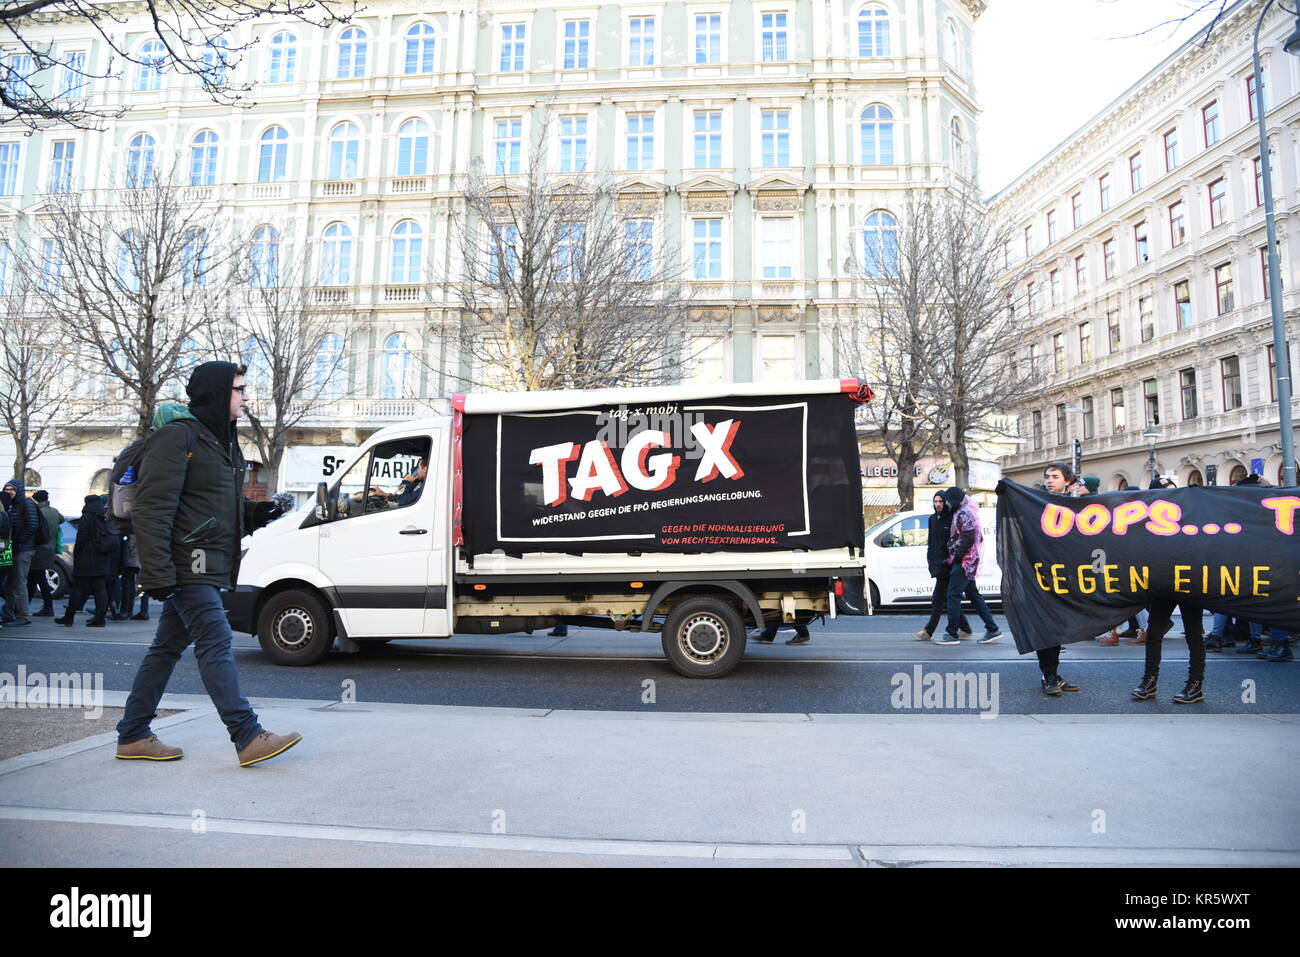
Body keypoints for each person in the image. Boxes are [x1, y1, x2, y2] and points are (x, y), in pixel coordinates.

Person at [115, 363, 300, 767]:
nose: (245, 397)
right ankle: (247, 735)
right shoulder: (176, 438)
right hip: (186, 564)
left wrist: (260, 512)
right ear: (218, 392)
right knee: (215, 642)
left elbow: (213, 506)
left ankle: (132, 733)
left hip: (204, 562)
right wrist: (157, 573)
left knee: (165, 649)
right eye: (239, 389)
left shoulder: (219, 441)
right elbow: (152, 509)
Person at [932, 486, 1001, 646]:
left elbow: (969, 536)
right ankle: (992, 629)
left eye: (948, 501)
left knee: (953, 595)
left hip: (965, 561)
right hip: (968, 560)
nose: (947, 504)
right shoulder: (966, 510)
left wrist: (956, 556)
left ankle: (952, 634)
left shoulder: (964, 512)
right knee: (974, 595)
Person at [914, 492, 971, 640]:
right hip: (937, 564)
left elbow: (955, 541)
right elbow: (931, 543)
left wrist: (951, 560)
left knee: (938, 599)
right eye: (935, 501)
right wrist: (930, 561)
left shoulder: (952, 518)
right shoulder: (932, 519)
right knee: (948, 599)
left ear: (946, 502)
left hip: (949, 564)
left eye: (940, 501)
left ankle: (928, 630)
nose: (938, 504)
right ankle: (965, 628)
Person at [1130, 597, 1207, 704]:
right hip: (1166, 587)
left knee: (1194, 634)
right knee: (1153, 633)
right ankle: (1150, 681)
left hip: (1189, 587)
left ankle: (1195, 683)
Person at [55, 495, 115, 627]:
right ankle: (100, 618)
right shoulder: (105, 516)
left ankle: (69, 617)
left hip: (87, 557)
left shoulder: (87, 516)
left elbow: (81, 537)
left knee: (78, 587)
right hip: (102, 556)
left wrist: (77, 555)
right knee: (100, 588)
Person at [2, 477, 41, 627]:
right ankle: (9, 613)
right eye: (6, 489)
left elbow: (32, 526)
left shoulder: (26, 503)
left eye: (11, 489)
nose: (9, 492)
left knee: (19, 582)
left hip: (24, 549)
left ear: (18, 490)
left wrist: (19, 542)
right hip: (15, 548)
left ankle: (24, 615)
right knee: (10, 583)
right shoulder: (11, 505)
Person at [28, 489, 63, 617]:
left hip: (38, 550)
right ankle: (25, 604)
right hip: (49, 550)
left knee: (39, 579)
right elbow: (62, 519)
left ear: (36, 500)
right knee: (33, 578)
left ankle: (48, 607)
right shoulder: (54, 511)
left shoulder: (38, 512)